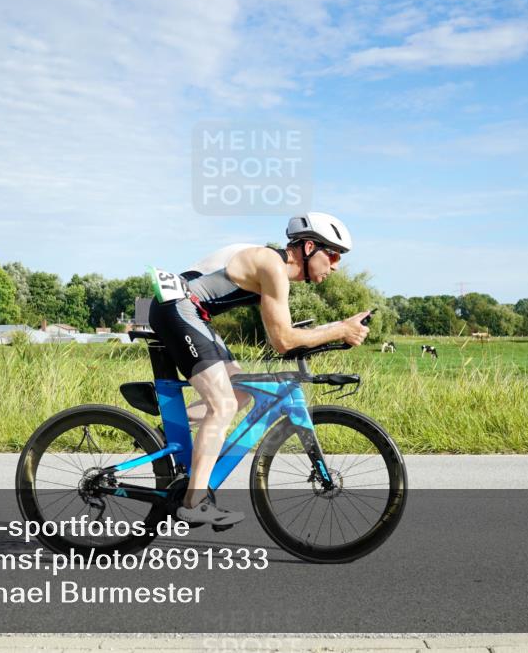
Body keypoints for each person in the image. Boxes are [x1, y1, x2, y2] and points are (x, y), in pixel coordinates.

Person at [147, 212, 371, 525]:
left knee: (240, 393)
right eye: (332, 254)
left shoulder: (271, 267)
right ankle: (193, 502)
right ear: (308, 248)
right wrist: (338, 330)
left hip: (190, 311)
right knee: (222, 404)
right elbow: (283, 340)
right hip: (179, 308)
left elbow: (284, 334)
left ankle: (160, 435)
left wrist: (337, 328)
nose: (335, 265)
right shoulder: (272, 266)